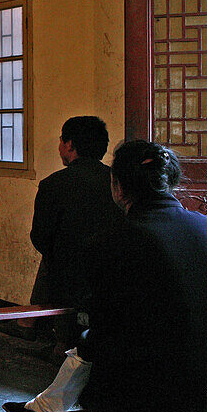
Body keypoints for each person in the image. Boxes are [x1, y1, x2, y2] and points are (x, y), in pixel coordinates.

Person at [7, 140, 207, 412]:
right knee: (107, 353)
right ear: (169, 182)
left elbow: (102, 337)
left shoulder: (112, 242)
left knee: (96, 365)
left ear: (118, 187)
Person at [24, 116, 121, 347]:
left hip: (67, 277)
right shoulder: (117, 182)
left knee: (51, 261)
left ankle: (44, 334)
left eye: (61, 140)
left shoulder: (53, 184)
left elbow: (40, 238)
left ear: (69, 145)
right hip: (112, 274)